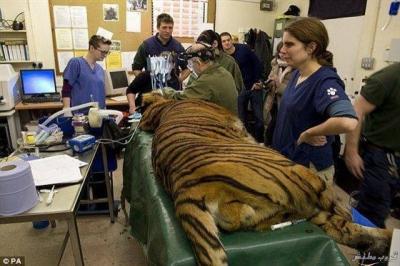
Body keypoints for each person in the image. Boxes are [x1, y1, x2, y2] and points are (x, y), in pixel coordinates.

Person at [271, 17, 358, 186]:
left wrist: (309, 133)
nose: (283, 49)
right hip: (288, 161)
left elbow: (348, 121)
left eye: (290, 44)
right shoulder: (297, 74)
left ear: (311, 47)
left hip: (308, 170)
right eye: (283, 44)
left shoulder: (325, 81)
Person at [344, 63, 400, 228]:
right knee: (372, 213)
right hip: (382, 157)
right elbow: (357, 110)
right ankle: (369, 253)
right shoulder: (390, 77)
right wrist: (351, 151)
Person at [128, 42, 238, 115]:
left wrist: (163, 91)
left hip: (220, 128)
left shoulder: (206, 80)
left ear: (198, 62)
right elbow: (131, 90)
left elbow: (181, 98)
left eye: (191, 64)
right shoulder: (224, 72)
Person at [128, 13, 191, 114]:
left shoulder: (178, 46)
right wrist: (144, 81)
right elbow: (136, 68)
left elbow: (187, 68)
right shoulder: (146, 45)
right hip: (151, 95)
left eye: (170, 28)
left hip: (171, 96)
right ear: (158, 27)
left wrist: (178, 80)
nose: (167, 31)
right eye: (164, 27)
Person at [220, 32, 264, 142]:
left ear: (232, 40)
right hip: (239, 91)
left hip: (254, 87)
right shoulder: (223, 58)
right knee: (240, 120)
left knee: (259, 120)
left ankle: (260, 142)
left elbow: (257, 64)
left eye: (228, 40)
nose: (227, 43)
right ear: (221, 44)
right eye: (224, 41)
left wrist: (259, 81)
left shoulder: (244, 49)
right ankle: (244, 143)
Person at [62, 35, 111, 113]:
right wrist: (66, 109)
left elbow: (101, 94)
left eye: (107, 52)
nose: (105, 55)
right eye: (103, 52)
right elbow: (66, 88)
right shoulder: (76, 63)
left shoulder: (100, 70)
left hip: (97, 115)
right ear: (92, 48)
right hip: (80, 116)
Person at [263, 41, 294, 146]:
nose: (282, 55)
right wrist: (267, 83)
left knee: (277, 128)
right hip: (273, 101)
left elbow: (294, 92)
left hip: (284, 104)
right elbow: (269, 78)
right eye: (280, 52)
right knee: (270, 126)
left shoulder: (296, 69)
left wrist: (278, 84)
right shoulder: (276, 64)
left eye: (284, 53)